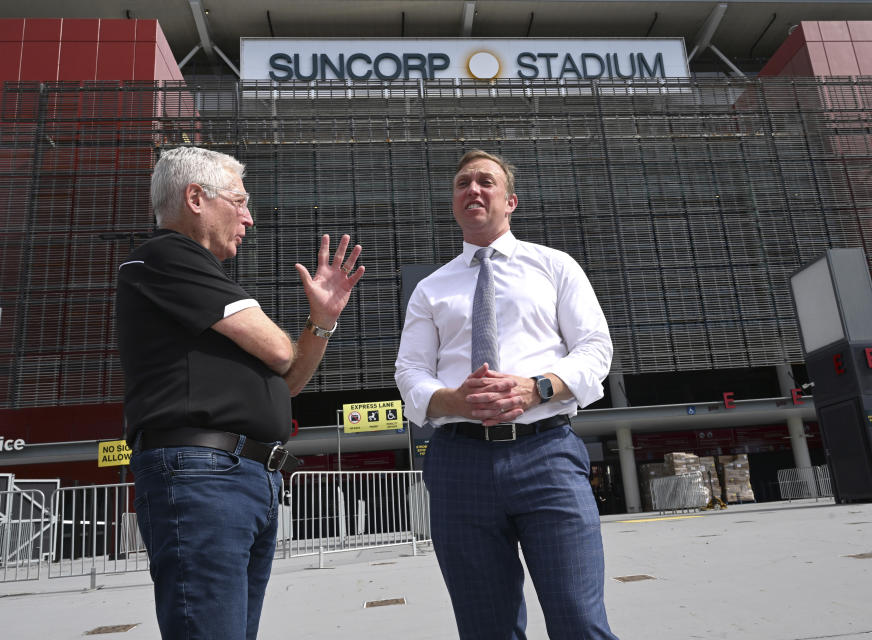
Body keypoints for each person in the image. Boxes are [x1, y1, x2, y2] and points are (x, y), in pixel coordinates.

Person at [116, 146, 364, 639]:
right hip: (204, 478)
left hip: (237, 478)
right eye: (241, 200)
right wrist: (291, 337)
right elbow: (277, 350)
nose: (249, 218)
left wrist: (322, 321)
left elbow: (289, 380)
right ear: (195, 197)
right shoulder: (165, 255)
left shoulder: (190, 275)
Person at [395, 149, 618, 639]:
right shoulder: (431, 289)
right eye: (462, 183)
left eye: (485, 181)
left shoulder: (554, 266)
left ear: (510, 200)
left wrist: (538, 388)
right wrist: (454, 400)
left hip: (547, 453)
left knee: (579, 621)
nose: (473, 189)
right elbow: (409, 369)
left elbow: (595, 348)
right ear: (454, 202)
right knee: (485, 629)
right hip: (458, 464)